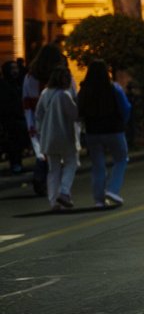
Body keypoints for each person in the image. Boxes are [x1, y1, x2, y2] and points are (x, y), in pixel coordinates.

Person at [76, 60, 131, 208]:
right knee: (121, 158)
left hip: (92, 131)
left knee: (97, 165)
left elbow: (78, 110)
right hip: (114, 129)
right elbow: (125, 108)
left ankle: (99, 200)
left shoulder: (84, 90)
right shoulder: (114, 88)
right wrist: (122, 122)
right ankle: (113, 189)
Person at [23, 43, 73, 197]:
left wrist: (31, 122)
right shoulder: (62, 76)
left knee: (43, 150)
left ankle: (42, 179)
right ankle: (58, 188)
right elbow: (71, 95)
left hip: (39, 119)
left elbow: (26, 101)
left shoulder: (31, 76)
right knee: (61, 155)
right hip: (58, 118)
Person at [35, 66, 78, 211]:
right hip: (64, 135)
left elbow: (38, 115)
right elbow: (74, 114)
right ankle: (64, 192)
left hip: (47, 136)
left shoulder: (45, 93)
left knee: (53, 169)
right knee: (70, 163)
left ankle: (54, 201)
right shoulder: (64, 95)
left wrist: (40, 131)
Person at [1, 60, 29, 174]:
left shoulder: (18, 83)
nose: (15, 71)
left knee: (19, 143)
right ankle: (15, 164)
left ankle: (18, 163)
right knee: (13, 144)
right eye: (12, 68)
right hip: (10, 120)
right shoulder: (4, 85)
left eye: (16, 68)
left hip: (19, 118)